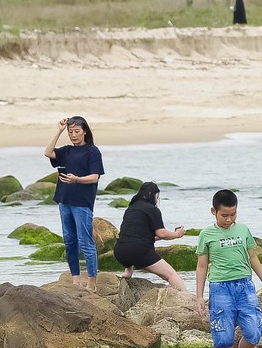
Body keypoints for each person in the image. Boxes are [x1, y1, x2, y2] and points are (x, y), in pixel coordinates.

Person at [193, 189, 262, 348]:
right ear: (214, 211)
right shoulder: (206, 234)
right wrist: (199, 296)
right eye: (224, 215)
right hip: (220, 288)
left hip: (245, 286)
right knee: (224, 334)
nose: (229, 219)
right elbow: (202, 266)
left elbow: (252, 257)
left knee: (254, 330)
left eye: (233, 214)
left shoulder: (243, 229)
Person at [44, 116, 104, 288]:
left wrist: (77, 179)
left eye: (77, 131)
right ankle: (75, 279)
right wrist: (59, 131)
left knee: (85, 242)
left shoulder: (92, 151)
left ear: (85, 131)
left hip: (82, 203)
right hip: (64, 200)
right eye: (71, 132)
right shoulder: (67, 150)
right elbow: (48, 153)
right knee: (70, 241)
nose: (74, 135)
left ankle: (92, 282)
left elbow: (94, 177)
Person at [115, 183, 189, 294]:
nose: (157, 200)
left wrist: (172, 234)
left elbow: (142, 235)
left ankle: (128, 271)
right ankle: (186, 297)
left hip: (120, 252)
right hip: (138, 251)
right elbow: (162, 233)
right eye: (157, 197)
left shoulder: (131, 208)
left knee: (132, 250)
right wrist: (177, 234)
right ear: (152, 195)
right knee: (171, 275)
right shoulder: (152, 209)